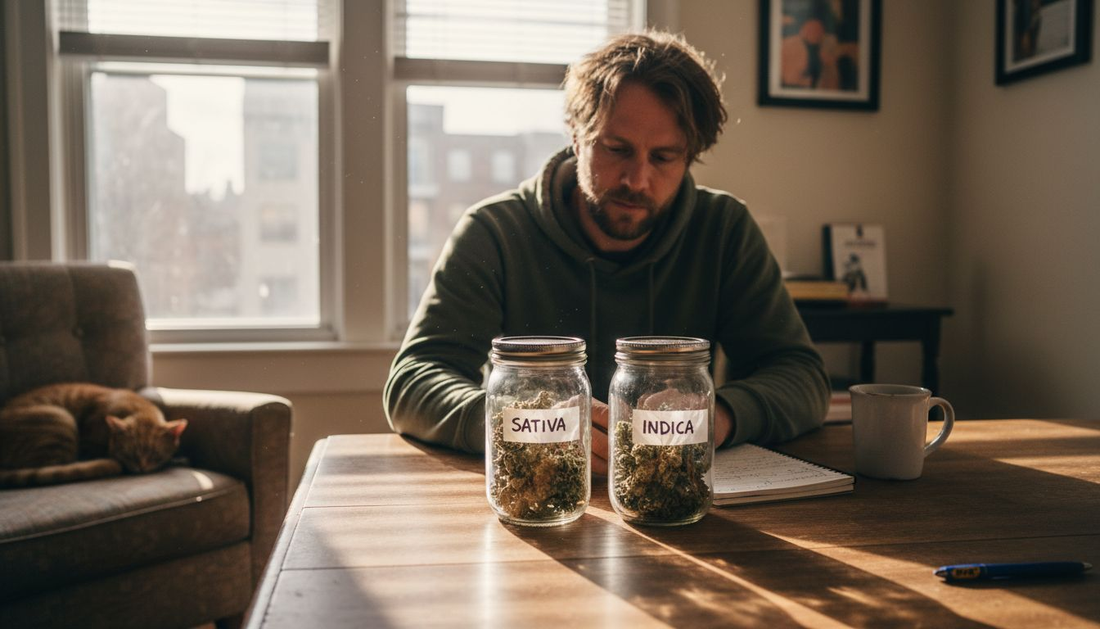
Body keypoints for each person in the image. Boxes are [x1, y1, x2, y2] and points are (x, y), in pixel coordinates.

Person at [384, 30, 830, 474]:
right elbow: (413, 382)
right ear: (576, 136)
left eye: (663, 158)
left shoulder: (724, 229)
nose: (637, 180)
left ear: (690, 156)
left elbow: (801, 376)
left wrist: (718, 419)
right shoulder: (495, 233)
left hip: (676, 497)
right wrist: (527, 426)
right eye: (616, 149)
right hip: (537, 498)